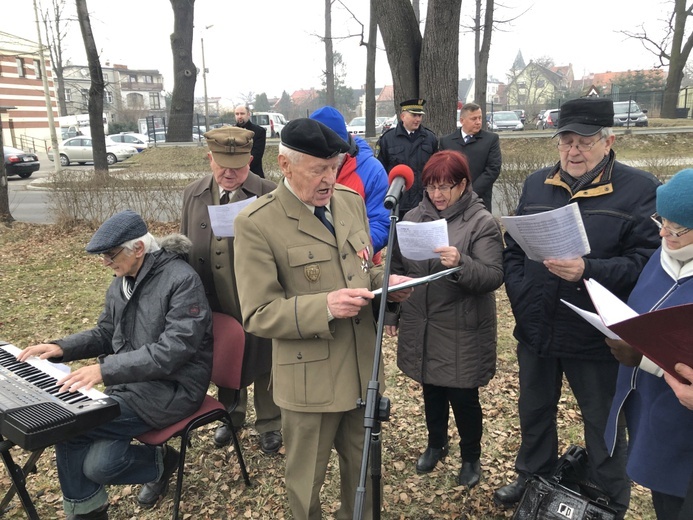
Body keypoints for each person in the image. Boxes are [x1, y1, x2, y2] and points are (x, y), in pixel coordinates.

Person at [233, 118, 412, 520]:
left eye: (334, 167)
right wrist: (325, 306)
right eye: (318, 169)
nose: (329, 178)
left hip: (362, 371)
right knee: (305, 485)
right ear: (284, 164)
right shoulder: (257, 223)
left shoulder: (349, 201)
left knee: (365, 474)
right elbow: (258, 314)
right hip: (308, 383)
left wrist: (387, 283)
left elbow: (361, 269)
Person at [496, 97, 661, 517]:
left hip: (594, 333)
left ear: (607, 141)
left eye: (584, 142)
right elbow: (513, 250)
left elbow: (645, 264)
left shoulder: (639, 190)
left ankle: (609, 495)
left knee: (601, 420)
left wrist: (589, 269)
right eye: (566, 141)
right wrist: (521, 297)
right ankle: (533, 474)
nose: (573, 151)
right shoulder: (536, 185)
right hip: (536, 324)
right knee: (534, 409)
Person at [17, 210, 213, 520]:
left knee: (69, 427)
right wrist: (60, 347)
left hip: (172, 390)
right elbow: (106, 333)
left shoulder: (181, 280)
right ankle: (163, 462)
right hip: (129, 385)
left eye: (110, 255)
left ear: (138, 248)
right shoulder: (122, 280)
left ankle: (86, 514)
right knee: (99, 465)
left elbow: (173, 351)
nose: (105, 263)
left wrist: (104, 370)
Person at [386, 150, 503, 488]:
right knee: (431, 388)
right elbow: (395, 269)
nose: (437, 195)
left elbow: (494, 275)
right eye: (431, 187)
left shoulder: (481, 222)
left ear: (463, 184)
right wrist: (393, 311)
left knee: (463, 396)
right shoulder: (411, 218)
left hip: (462, 327)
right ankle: (436, 442)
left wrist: (461, 263)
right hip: (422, 323)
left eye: (446, 187)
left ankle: (471, 457)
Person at [181, 126, 282, 454]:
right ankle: (232, 415)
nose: (229, 173)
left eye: (237, 167)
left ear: (250, 161)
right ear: (210, 159)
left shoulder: (270, 192)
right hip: (214, 298)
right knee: (227, 355)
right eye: (222, 165)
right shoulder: (193, 193)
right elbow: (184, 243)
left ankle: (270, 421)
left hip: (258, 297)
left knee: (265, 358)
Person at [604, 168, 693, 520]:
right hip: (656, 414)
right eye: (662, 220)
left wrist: (643, 357)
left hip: (685, 427)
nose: (664, 232)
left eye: (677, 228)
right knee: (666, 505)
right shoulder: (663, 255)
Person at [309, 105, 390, 254]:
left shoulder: (372, 171)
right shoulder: (300, 169)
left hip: (360, 260)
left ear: (347, 146)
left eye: (334, 153)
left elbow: (381, 222)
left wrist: (357, 247)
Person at [375, 98, 438, 219]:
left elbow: (436, 170)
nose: (418, 119)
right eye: (414, 115)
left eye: (420, 115)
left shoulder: (430, 138)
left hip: (424, 203)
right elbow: (380, 171)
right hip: (398, 204)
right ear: (403, 116)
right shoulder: (388, 139)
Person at [439, 102, 502, 213]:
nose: (478, 122)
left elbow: (493, 169)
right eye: (473, 119)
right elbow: (442, 170)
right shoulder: (447, 141)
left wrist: (470, 193)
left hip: (479, 200)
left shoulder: (491, 139)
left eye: (480, 118)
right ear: (462, 121)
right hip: (452, 201)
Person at [235, 104, 266, 177]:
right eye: (237, 114)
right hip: (234, 176)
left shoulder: (259, 131)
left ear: (248, 114)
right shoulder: (230, 132)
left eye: (242, 113)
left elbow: (256, 155)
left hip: (254, 175)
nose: (239, 116)